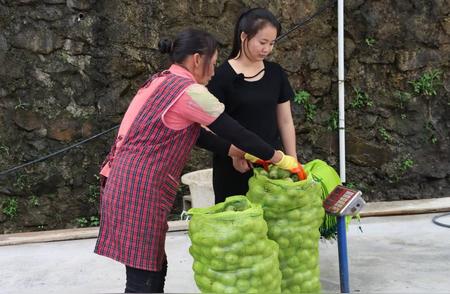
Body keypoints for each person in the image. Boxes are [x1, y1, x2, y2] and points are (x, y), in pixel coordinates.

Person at [94, 28, 299, 293]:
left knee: (153, 266)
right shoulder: (188, 92)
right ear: (196, 59)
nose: (214, 73)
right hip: (138, 188)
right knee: (143, 279)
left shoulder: (162, 80)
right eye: (212, 64)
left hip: (124, 181)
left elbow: (196, 135)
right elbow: (234, 131)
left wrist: (235, 151)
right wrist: (279, 158)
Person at [204, 8, 297, 203]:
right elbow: (209, 125)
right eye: (262, 42)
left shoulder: (276, 73)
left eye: (272, 43)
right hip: (234, 166)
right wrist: (233, 154)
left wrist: (292, 161)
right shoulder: (221, 76)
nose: (267, 49)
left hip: (271, 166)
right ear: (244, 37)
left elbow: (286, 121)